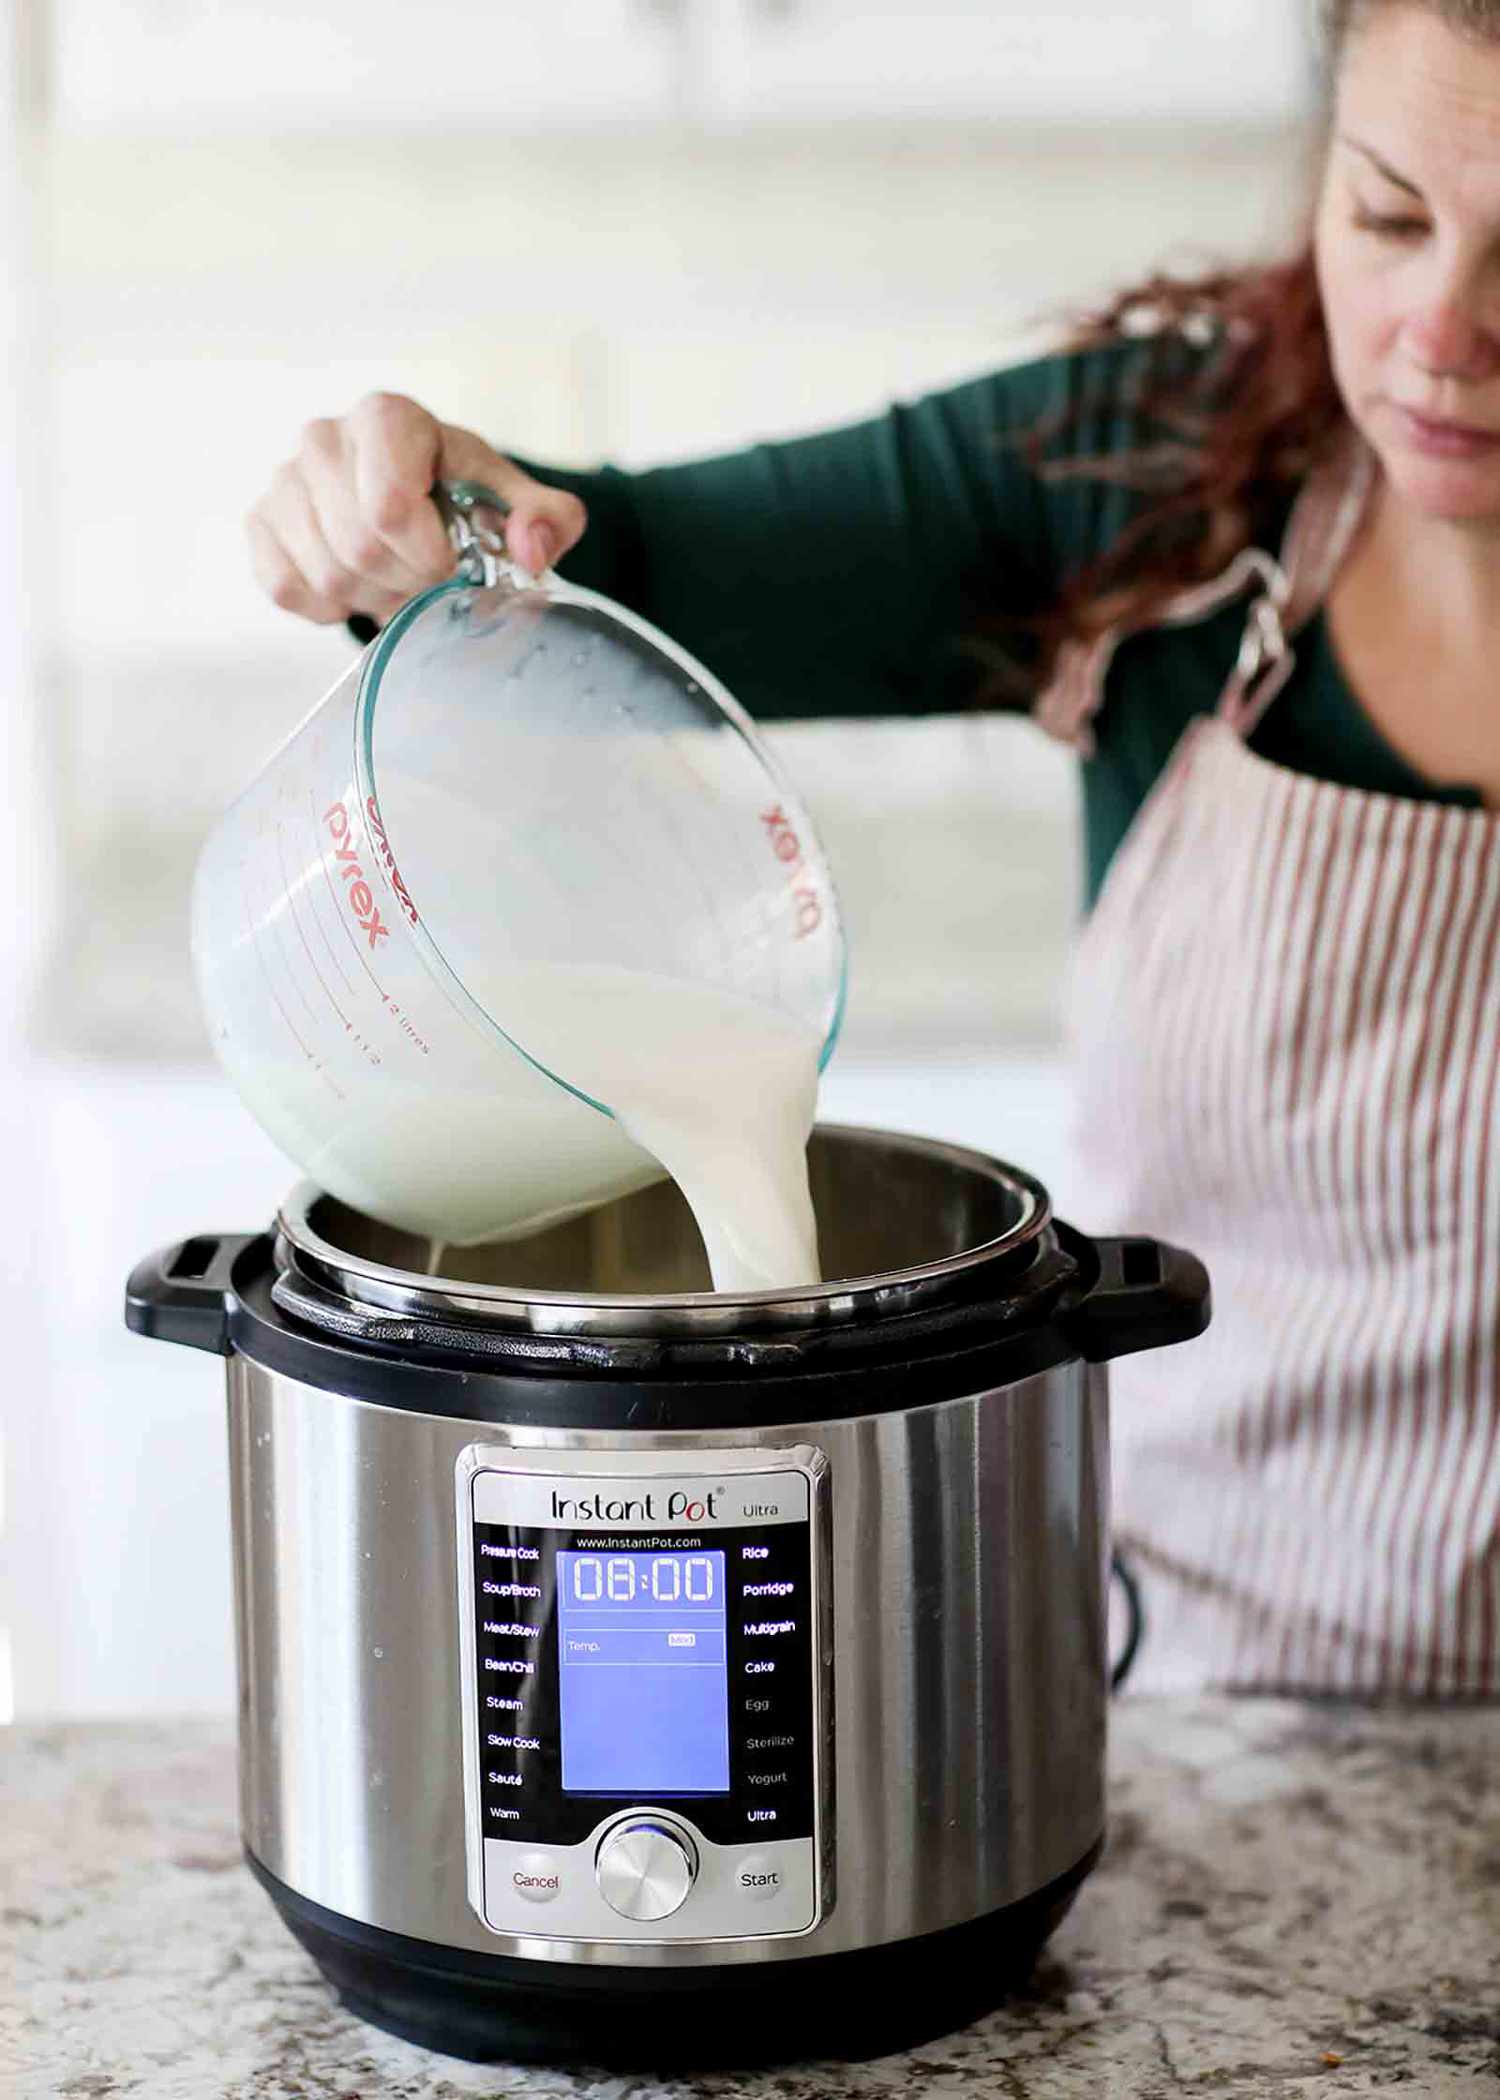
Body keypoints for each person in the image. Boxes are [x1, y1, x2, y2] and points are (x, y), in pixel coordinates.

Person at [246, 0, 1500, 1699]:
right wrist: (429, 514)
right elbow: (625, 578)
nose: (1442, 332)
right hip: (1189, 1707)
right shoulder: (1175, 481)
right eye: (1389, 214)